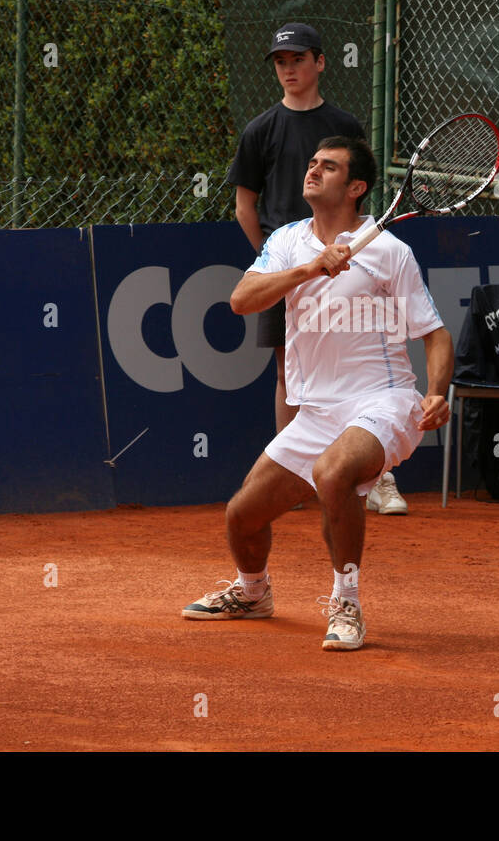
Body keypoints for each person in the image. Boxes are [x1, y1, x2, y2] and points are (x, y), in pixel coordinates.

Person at [184, 136, 453, 650]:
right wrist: (310, 268)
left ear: (356, 187)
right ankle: (253, 592)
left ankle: (346, 602)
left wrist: (437, 392)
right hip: (317, 412)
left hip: (386, 400)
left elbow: (434, 333)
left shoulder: (391, 253)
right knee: (242, 516)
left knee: (334, 474)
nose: (312, 171)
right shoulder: (286, 240)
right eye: (311, 163)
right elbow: (241, 300)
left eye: (328, 167)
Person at [227, 22, 408, 514]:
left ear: (320, 63)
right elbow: (246, 206)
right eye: (281, 62)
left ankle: (377, 477)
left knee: (364, 371)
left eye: (298, 60)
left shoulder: (344, 125)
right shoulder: (260, 130)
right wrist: (280, 261)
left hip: (348, 265)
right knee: (291, 373)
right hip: (290, 267)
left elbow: (360, 189)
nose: (289, 70)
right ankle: (295, 476)